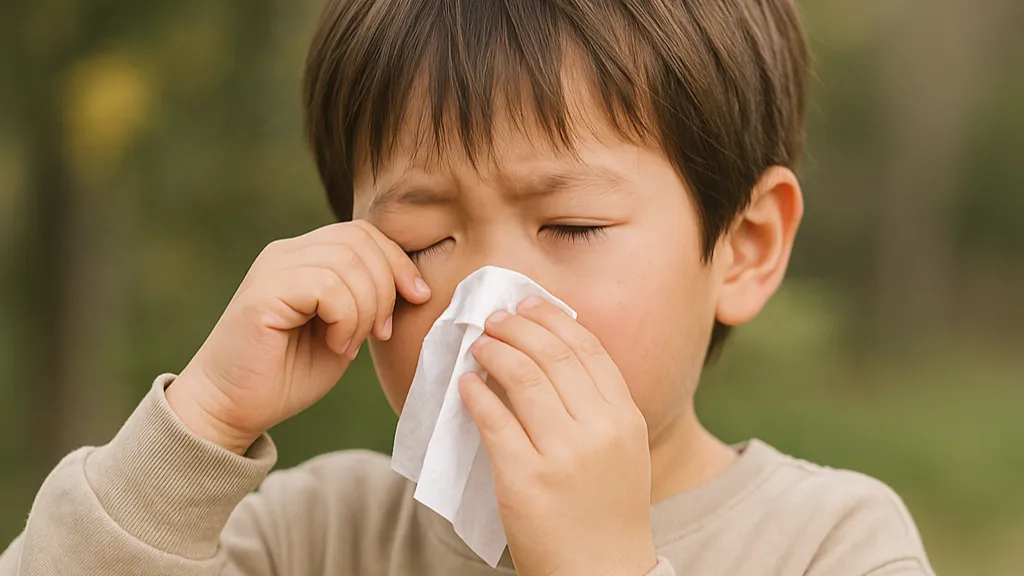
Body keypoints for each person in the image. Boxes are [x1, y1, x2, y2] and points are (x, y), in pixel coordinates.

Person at [0, 1, 935, 575]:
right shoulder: (318, 535)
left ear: (743, 247)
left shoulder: (831, 544)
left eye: (571, 225)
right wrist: (201, 423)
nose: (490, 298)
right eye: (423, 237)